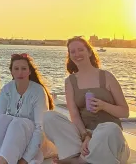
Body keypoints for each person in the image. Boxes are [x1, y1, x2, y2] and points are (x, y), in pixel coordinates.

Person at [43, 36, 130, 164]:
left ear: (89, 52)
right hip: (84, 136)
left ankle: (77, 160)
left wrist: (104, 106)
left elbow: (125, 112)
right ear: (69, 56)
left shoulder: (106, 76)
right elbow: (75, 116)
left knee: (109, 129)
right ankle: (79, 156)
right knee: (48, 117)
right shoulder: (70, 82)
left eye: (80, 50)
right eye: (72, 52)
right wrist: (86, 135)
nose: (77, 54)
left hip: (109, 138)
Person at [0, 53, 56, 164]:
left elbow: (40, 129)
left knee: (18, 122)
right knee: (2, 119)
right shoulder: (7, 88)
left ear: (29, 71)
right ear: (11, 72)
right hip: (12, 141)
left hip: (34, 142)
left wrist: (25, 159)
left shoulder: (38, 91)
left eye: (23, 68)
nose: (20, 72)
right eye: (16, 69)